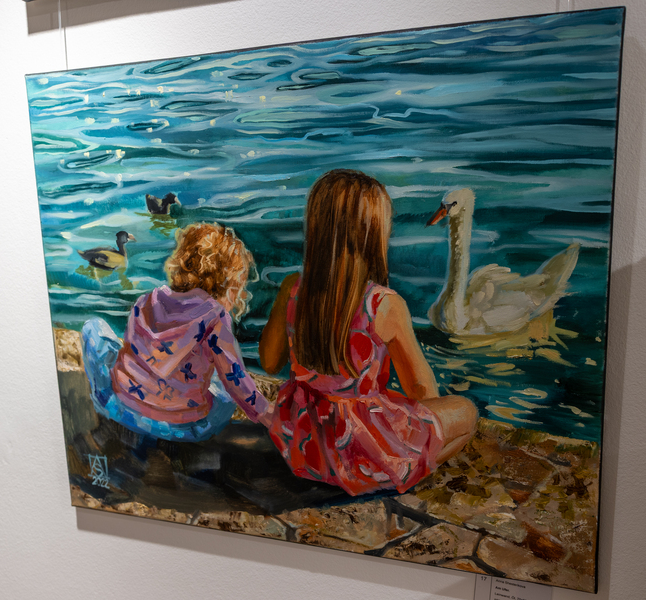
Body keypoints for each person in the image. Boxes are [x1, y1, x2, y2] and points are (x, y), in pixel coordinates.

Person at [259, 169, 479, 496]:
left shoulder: (293, 289)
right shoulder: (384, 304)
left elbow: (268, 361)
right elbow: (421, 390)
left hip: (303, 447)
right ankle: (398, 475)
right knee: (467, 413)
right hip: (361, 453)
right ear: (373, 232)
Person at [82, 222, 268, 443]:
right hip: (183, 428)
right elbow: (236, 381)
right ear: (230, 283)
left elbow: (131, 349)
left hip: (120, 407)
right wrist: (267, 413)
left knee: (93, 328)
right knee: (225, 395)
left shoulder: (147, 300)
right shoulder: (216, 318)